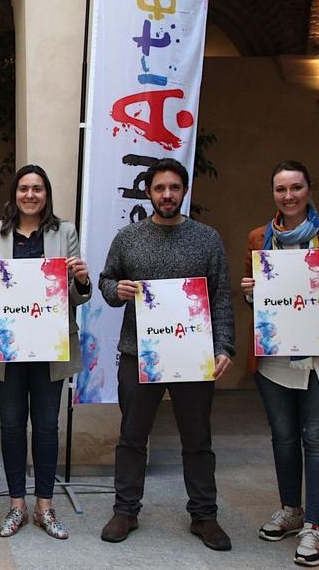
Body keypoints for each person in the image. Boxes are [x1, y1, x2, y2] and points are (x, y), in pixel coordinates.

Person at [97, 157, 236, 551]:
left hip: (193, 354)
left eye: (174, 188)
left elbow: (221, 295)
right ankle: (125, 511)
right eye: (159, 188)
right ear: (148, 192)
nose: (167, 195)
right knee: (131, 436)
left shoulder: (207, 239)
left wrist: (224, 346)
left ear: (184, 191)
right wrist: (115, 290)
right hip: (138, 351)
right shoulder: (128, 238)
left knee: (197, 438)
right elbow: (106, 281)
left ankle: (204, 516)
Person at [240, 160, 319, 567]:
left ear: (309, 189)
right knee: (284, 437)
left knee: (318, 438)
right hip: (275, 356)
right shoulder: (259, 238)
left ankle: (314, 526)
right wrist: (248, 292)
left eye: (295, 187)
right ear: (272, 193)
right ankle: (290, 508)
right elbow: (255, 298)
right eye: (280, 189)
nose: (288, 196)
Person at [0, 165, 92, 539]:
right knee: (10, 425)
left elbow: (75, 294)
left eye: (37, 189)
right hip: (8, 347)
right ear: (14, 194)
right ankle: (17, 506)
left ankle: (45, 507)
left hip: (50, 345)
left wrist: (81, 280)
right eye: (24, 189)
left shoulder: (64, 232)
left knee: (48, 426)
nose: (30, 195)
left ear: (46, 194)